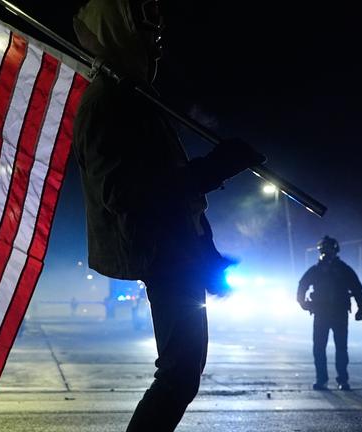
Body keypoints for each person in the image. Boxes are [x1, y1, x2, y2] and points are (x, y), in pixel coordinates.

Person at [71, 0, 266, 430]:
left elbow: (180, 198)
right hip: (162, 255)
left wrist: (207, 253)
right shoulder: (107, 104)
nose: (156, 49)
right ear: (118, 34)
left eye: (158, 38)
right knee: (178, 376)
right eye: (146, 36)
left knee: (183, 374)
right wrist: (214, 169)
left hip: (178, 252)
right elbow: (125, 196)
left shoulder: (135, 99)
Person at [297, 236, 362, 391]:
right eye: (324, 249)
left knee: (339, 348)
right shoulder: (320, 270)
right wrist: (303, 303)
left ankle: (340, 379)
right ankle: (324, 380)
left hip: (337, 313)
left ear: (334, 250)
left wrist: (361, 308)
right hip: (323, 313)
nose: (326, 253)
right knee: (321, 348)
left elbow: (357, 289)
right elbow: (302, 286)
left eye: (328, 249)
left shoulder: (342, 269)